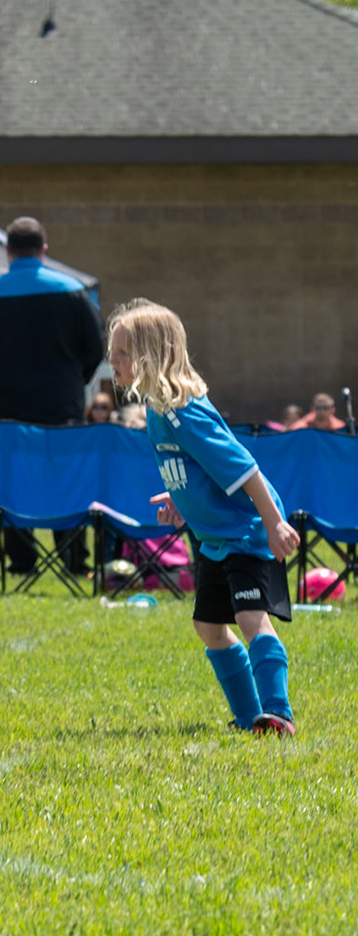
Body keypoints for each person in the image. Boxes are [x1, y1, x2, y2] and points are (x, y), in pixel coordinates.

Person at [108, 299, 299, 735]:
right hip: (215, 537)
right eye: (112, 351)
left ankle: (278, 714)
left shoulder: (182, 411)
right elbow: (197, 467)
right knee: (209, 626)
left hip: (247, 530)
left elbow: (244, 467)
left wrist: (274, 523)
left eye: (122, 352)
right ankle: (250, 718)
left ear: (151, 355)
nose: (112, 361)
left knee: (250, 616)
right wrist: (181, 496)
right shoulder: (158, 409)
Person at [0, 216, 104, 575]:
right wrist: (76, 382)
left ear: (6, 250)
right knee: (65, 479)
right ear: (44, 250)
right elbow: (96, 348)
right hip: (62, 406)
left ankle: (22, 561)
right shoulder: (73, 291)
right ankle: (74, 559)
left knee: (13, 482)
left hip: (7, 407)